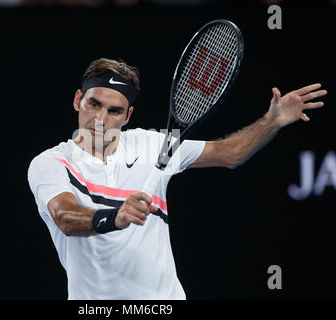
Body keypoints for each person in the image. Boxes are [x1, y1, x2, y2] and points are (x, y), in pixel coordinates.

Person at [27, 58, 326, 299]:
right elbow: (64, 217)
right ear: (79, 99)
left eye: (114, 110)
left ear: (128, 116)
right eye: (94, 104)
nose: (101, 119)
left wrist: (271, 121)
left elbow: (231, 153)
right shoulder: (51, 162)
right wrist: (115, 217)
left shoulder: (153, 145)